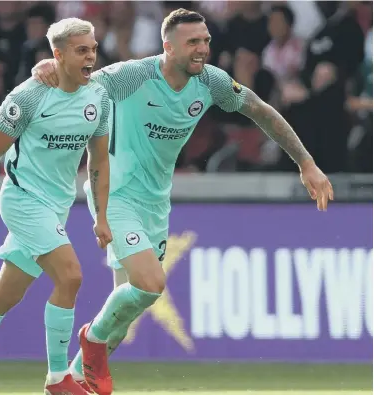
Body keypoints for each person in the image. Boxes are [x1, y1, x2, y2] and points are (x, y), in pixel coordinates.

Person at [32, 8, 333, 395]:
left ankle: (66, 384)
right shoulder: (133, 77)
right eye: (193, 42)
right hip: (116, 194)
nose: (202, 49)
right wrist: (49, 65)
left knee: (121, 323)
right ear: (168, 47)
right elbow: (81, 76)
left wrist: (306, 163)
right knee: (151, 284)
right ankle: (90, 338)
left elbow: (260, 109)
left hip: (155, 204)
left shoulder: (210, 83)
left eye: (205, 40)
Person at [0, 18, 113, 395]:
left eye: (92, 49)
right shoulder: (27, 97)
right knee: (71, 276)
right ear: (57, 55)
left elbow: (99, 160)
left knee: (5, 295)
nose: (91, 56)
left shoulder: (100, 97)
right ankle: (58, 377)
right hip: (24, 200)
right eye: (81, 50)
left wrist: (102, 216)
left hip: (57, 205)